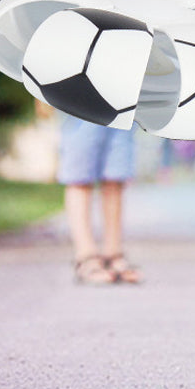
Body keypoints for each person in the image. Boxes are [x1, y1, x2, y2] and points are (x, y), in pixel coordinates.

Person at [57, 114, 143, 285]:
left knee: (116, 174)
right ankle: (86, 257)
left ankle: (113, 254)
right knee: (79, 176)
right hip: (79, 95)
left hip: (124, 95)